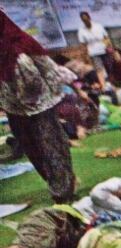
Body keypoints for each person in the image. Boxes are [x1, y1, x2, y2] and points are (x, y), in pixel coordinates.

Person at [0, 12, 76, 204]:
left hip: (41, 106)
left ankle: (63, 190)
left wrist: (64, 92)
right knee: (32, 149)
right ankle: (55, 182)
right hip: (14, 109)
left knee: (52, 146)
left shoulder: (23, 43)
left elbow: (48, 67)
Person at [76, 12, 111, 88]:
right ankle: (104, 86)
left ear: (89, 18)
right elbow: (83, 44)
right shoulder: (81, 30)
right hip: (93, 52)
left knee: (109, 66)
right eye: (83, 20)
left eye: (86, 19)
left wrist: (108, 45)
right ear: (82, 21)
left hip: (104, 49)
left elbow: (106, 37)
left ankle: (112, 82)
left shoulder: (98, 26)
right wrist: (85, 55)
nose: (85, 21)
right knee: (99, 69)